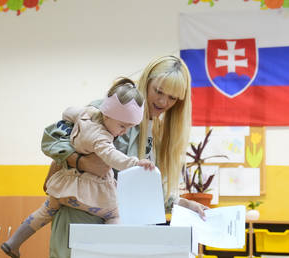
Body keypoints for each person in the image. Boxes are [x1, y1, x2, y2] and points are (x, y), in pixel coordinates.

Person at [43, 55, 208, 258]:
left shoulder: (153, 130)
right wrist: (82, 161)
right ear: (147, 81)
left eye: (172, 98)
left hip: (114, 226)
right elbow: (52, 138)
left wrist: (182, 203)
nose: (164, 101)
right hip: (79, 217)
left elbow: (141, 190)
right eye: (158, 91)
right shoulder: (109, 109)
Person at [0, 78, 155, 258]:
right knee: (114, 215)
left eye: (130, 127)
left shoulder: (86, 114)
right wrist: (135, 162)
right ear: (107, 115)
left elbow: (67, 112)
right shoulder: (101, 138)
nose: (124, 132)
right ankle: (111, 252)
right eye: (122, 126)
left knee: (45, 211)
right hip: (89, 194)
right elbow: (113, 158)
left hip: (64, 188)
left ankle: (13, 243)